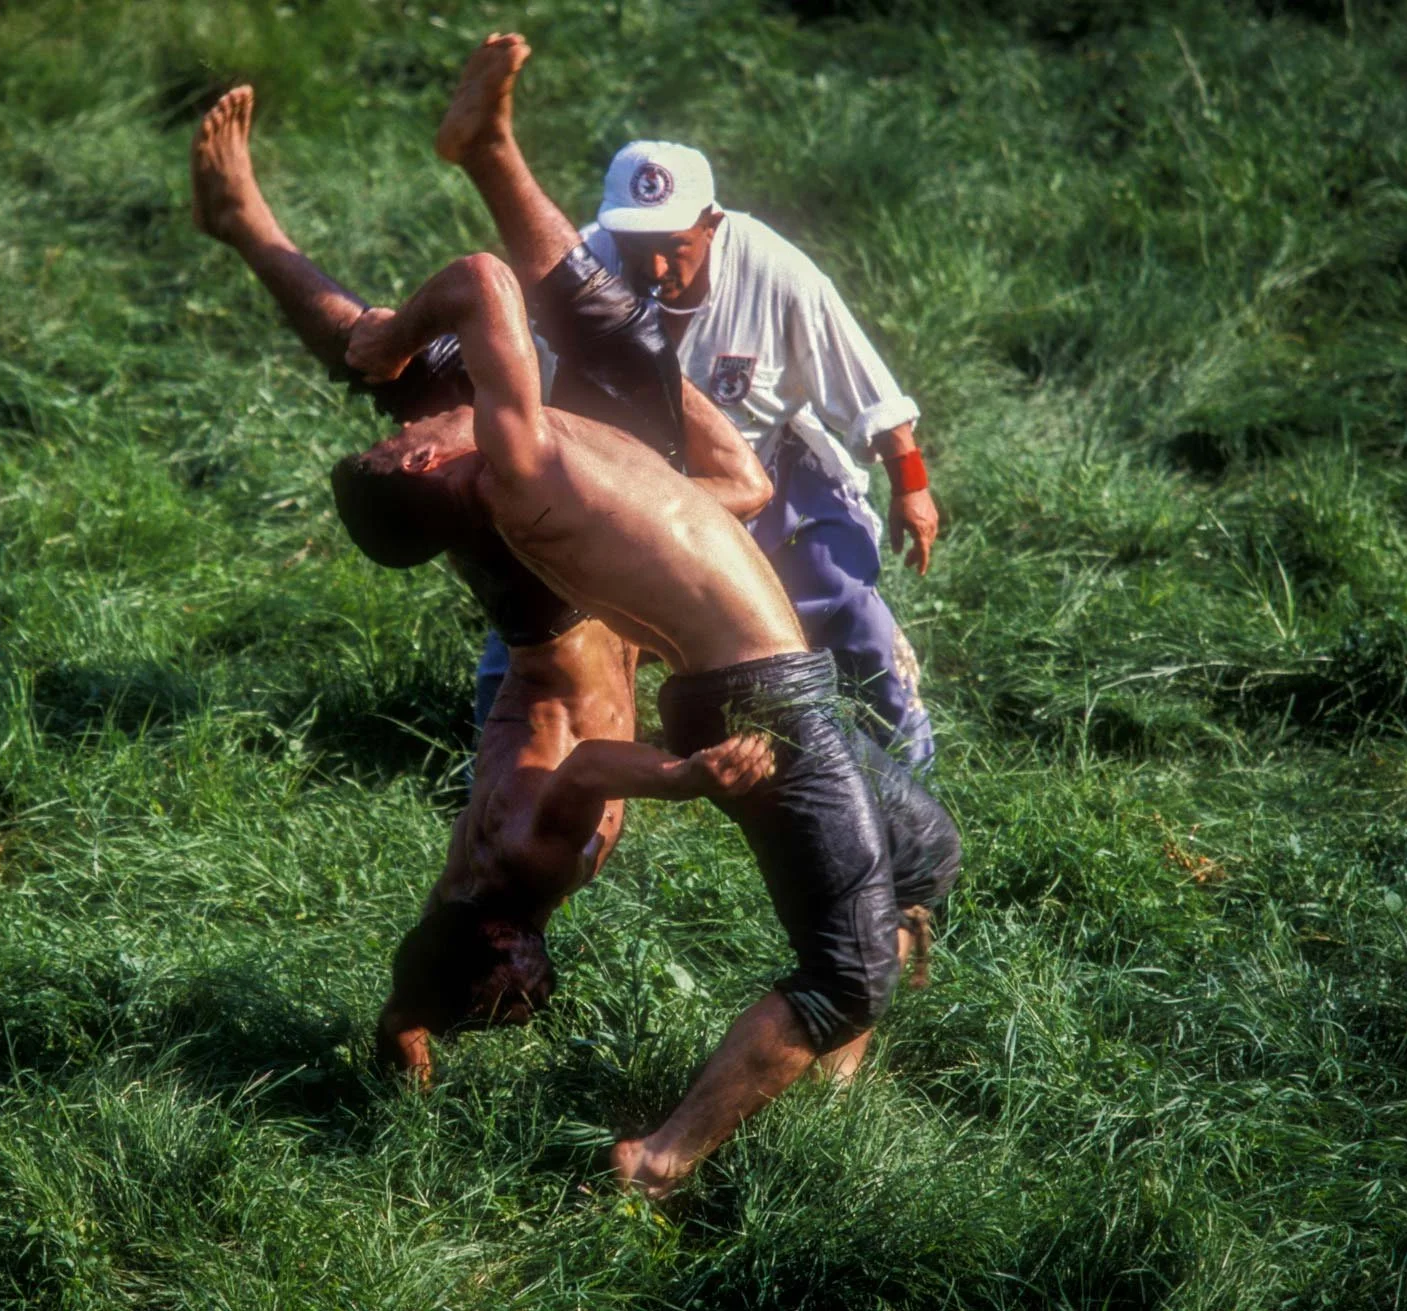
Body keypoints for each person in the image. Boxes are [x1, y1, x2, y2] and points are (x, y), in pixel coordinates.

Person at [337, 40, 960, 1194]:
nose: (416, 426)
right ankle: (658, 1161)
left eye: (399, 422)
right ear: (430, 462)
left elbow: (722, 496)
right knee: (842, 971)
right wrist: (387, 337)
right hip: (761, 690)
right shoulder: (518, 466)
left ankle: (490, 150)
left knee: (925, 844)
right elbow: (478, 279)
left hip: (765, 675)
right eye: (409, 439)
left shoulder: (553, 466)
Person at [188, 51, 773, 1079]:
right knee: (436, 382)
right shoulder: (469, 894)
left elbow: (590, 765)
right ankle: (258, 228)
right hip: (557, 611)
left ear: (493, 942)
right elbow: (432, 956)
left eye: (505, 985)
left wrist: (689, 777)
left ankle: (429, 178)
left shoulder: (517, 864)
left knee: (653, 413)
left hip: (549, 602)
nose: (528, 981)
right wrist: (404, 1030)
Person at [476, 124, 941, 773]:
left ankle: (910, 756)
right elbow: (515, 386)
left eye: (674, 247)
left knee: (844, 595)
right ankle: (495, 766)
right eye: (637, 248)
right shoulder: (579, 272)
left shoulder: (774, 269)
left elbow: (865, 385)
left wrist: (912, 484)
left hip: (765, 476)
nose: (656, 269)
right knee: (535, 618)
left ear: (712, 223)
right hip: (631, 490)